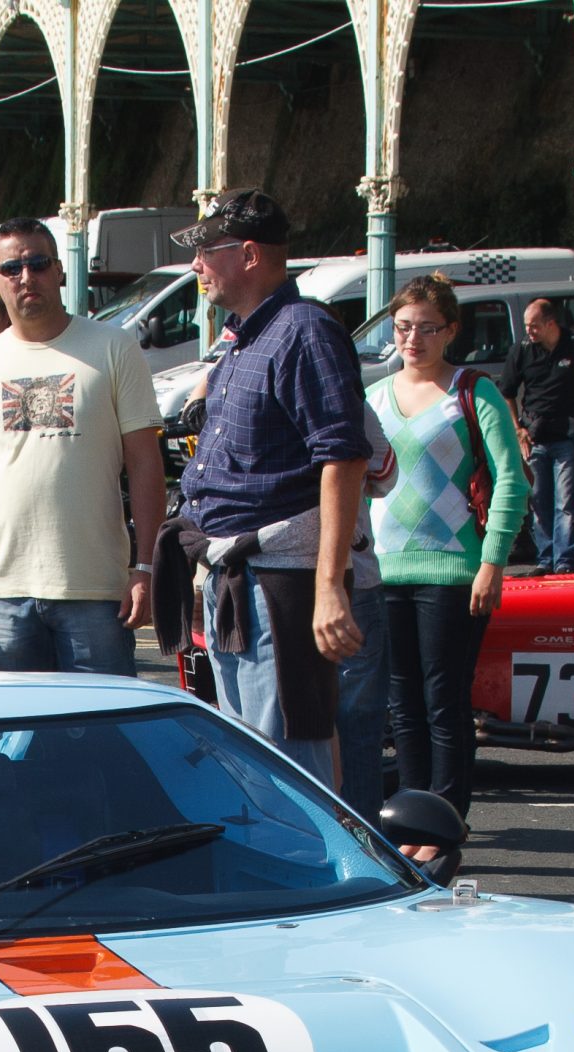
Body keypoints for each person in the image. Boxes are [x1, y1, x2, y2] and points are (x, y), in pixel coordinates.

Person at [172, 190, 370, 783]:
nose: (196, 265)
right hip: (242, 576)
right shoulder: (246, 337)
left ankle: (313, 871)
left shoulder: (303, 331)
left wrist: (328, 586)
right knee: (252, 756)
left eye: (207, 250)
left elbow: (344, 458)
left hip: (278, 582)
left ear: (249, 254)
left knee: (285, 763)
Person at [0, 221, 161, 676]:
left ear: (59, 271)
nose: (27, 276)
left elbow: (145, 465)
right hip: (3, 594)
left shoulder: (114, 348)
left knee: (104, 734)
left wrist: (146, 568)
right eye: (12, 267)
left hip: (95, 591)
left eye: (38, 263)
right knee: (14, 740)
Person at [369, 275, 530, 822]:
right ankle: (415, 816)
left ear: (451, 332)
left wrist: (493, 561)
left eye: (427, 328)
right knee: (402, 705)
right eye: (403, 327)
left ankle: (447, 817)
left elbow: (512, 479)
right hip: (384, 570)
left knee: (444, 701)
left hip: (454, 571)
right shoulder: (372, 396)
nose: (413, 339)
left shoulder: (473, 391)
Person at [498, 297, 574, 573]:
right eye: (527, 326)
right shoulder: (523, 350)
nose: (529, 331)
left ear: (551, 323)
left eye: (534, 326)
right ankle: (545, 557)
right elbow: (506, 391)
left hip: (566, 434)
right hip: (534, 435)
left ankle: (565, 559)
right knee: (539, 500)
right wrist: (518, 429)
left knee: (566, 500)